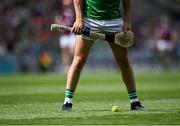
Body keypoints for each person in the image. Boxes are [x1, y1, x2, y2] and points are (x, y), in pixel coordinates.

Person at [62, 0, 145, 111]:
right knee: (78, 60)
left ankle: (135, 102)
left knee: (124, 61)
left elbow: (127, 1)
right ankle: (67, 102)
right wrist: (79, 19)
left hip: (114, 22)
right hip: (89, 21)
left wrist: (128, 21)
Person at [55, 0, 75, 74]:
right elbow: (57, 20)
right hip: (64, 34)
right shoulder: (61, 11)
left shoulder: (74, 10)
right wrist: (60, 24)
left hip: (72, 34)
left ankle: (72, 65)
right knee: (65, 52)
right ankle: (66, 67)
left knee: (72, 51)